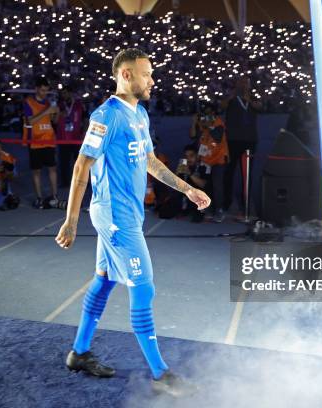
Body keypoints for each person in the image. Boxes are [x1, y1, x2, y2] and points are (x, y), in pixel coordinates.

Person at [55, 48, 210, 397]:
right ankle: (161, 374)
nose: (152, 80)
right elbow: (82, 166)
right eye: (146, 74)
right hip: (114, 217)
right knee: (144, 287)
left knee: (105, 281)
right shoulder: (105, 116)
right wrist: (71, 220)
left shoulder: (138, 114)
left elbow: (151, 162)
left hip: (127, 215)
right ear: (126, 75)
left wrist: (187, 189)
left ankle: (78, 353)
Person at [220, 76, 262, 214]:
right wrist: (232, 95)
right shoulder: (231, 98)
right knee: (229, 172)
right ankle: (226, 202)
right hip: (232, 140)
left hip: (249, 141)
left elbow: (260, 107)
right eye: (241, 82)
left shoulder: (254, 96)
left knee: (247, 173)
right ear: (236, 84)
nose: (243, 84)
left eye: (246, 82)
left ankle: (246, 203)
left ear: (250, 84)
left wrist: (248, 98)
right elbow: (222, 106)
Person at [22, 76, 60, 209]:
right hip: (35, 141)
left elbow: (54, 122)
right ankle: (39, 197)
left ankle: (54, 196)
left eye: (46, 91)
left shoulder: (49, 104)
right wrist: (47, 111)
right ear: (36, 89)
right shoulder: (28, 102)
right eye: (42, 90)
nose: (44, 93)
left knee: (52, 169)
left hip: (49, 139)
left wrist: (56, 113)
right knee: (36, 171)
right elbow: (29, 122)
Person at [192, 102, 229, 222]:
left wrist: (208, 125)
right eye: (204, 113)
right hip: (205, 159)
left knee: (217, 185)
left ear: (213, 113)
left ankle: (219, 210)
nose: (206, 115)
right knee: (207, 185)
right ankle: (209, 208)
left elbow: (217, 138)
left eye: (208, 112)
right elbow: (193, 136)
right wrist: (194, 123)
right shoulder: (201, 122)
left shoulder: (218, 122)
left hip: (218, 159)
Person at [56, 86, 85, 188]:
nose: (63, 95)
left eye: (65, 93)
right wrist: (59, 114)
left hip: (76, 138)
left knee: (80, 162)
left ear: (70, 93)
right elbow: (54, 121)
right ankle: (65, 182)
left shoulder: (79, 105)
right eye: (62, 93)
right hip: (63, 138)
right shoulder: (59, 105)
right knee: (63, 162)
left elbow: (85, 119)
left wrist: (84, 133)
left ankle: (82, 181)